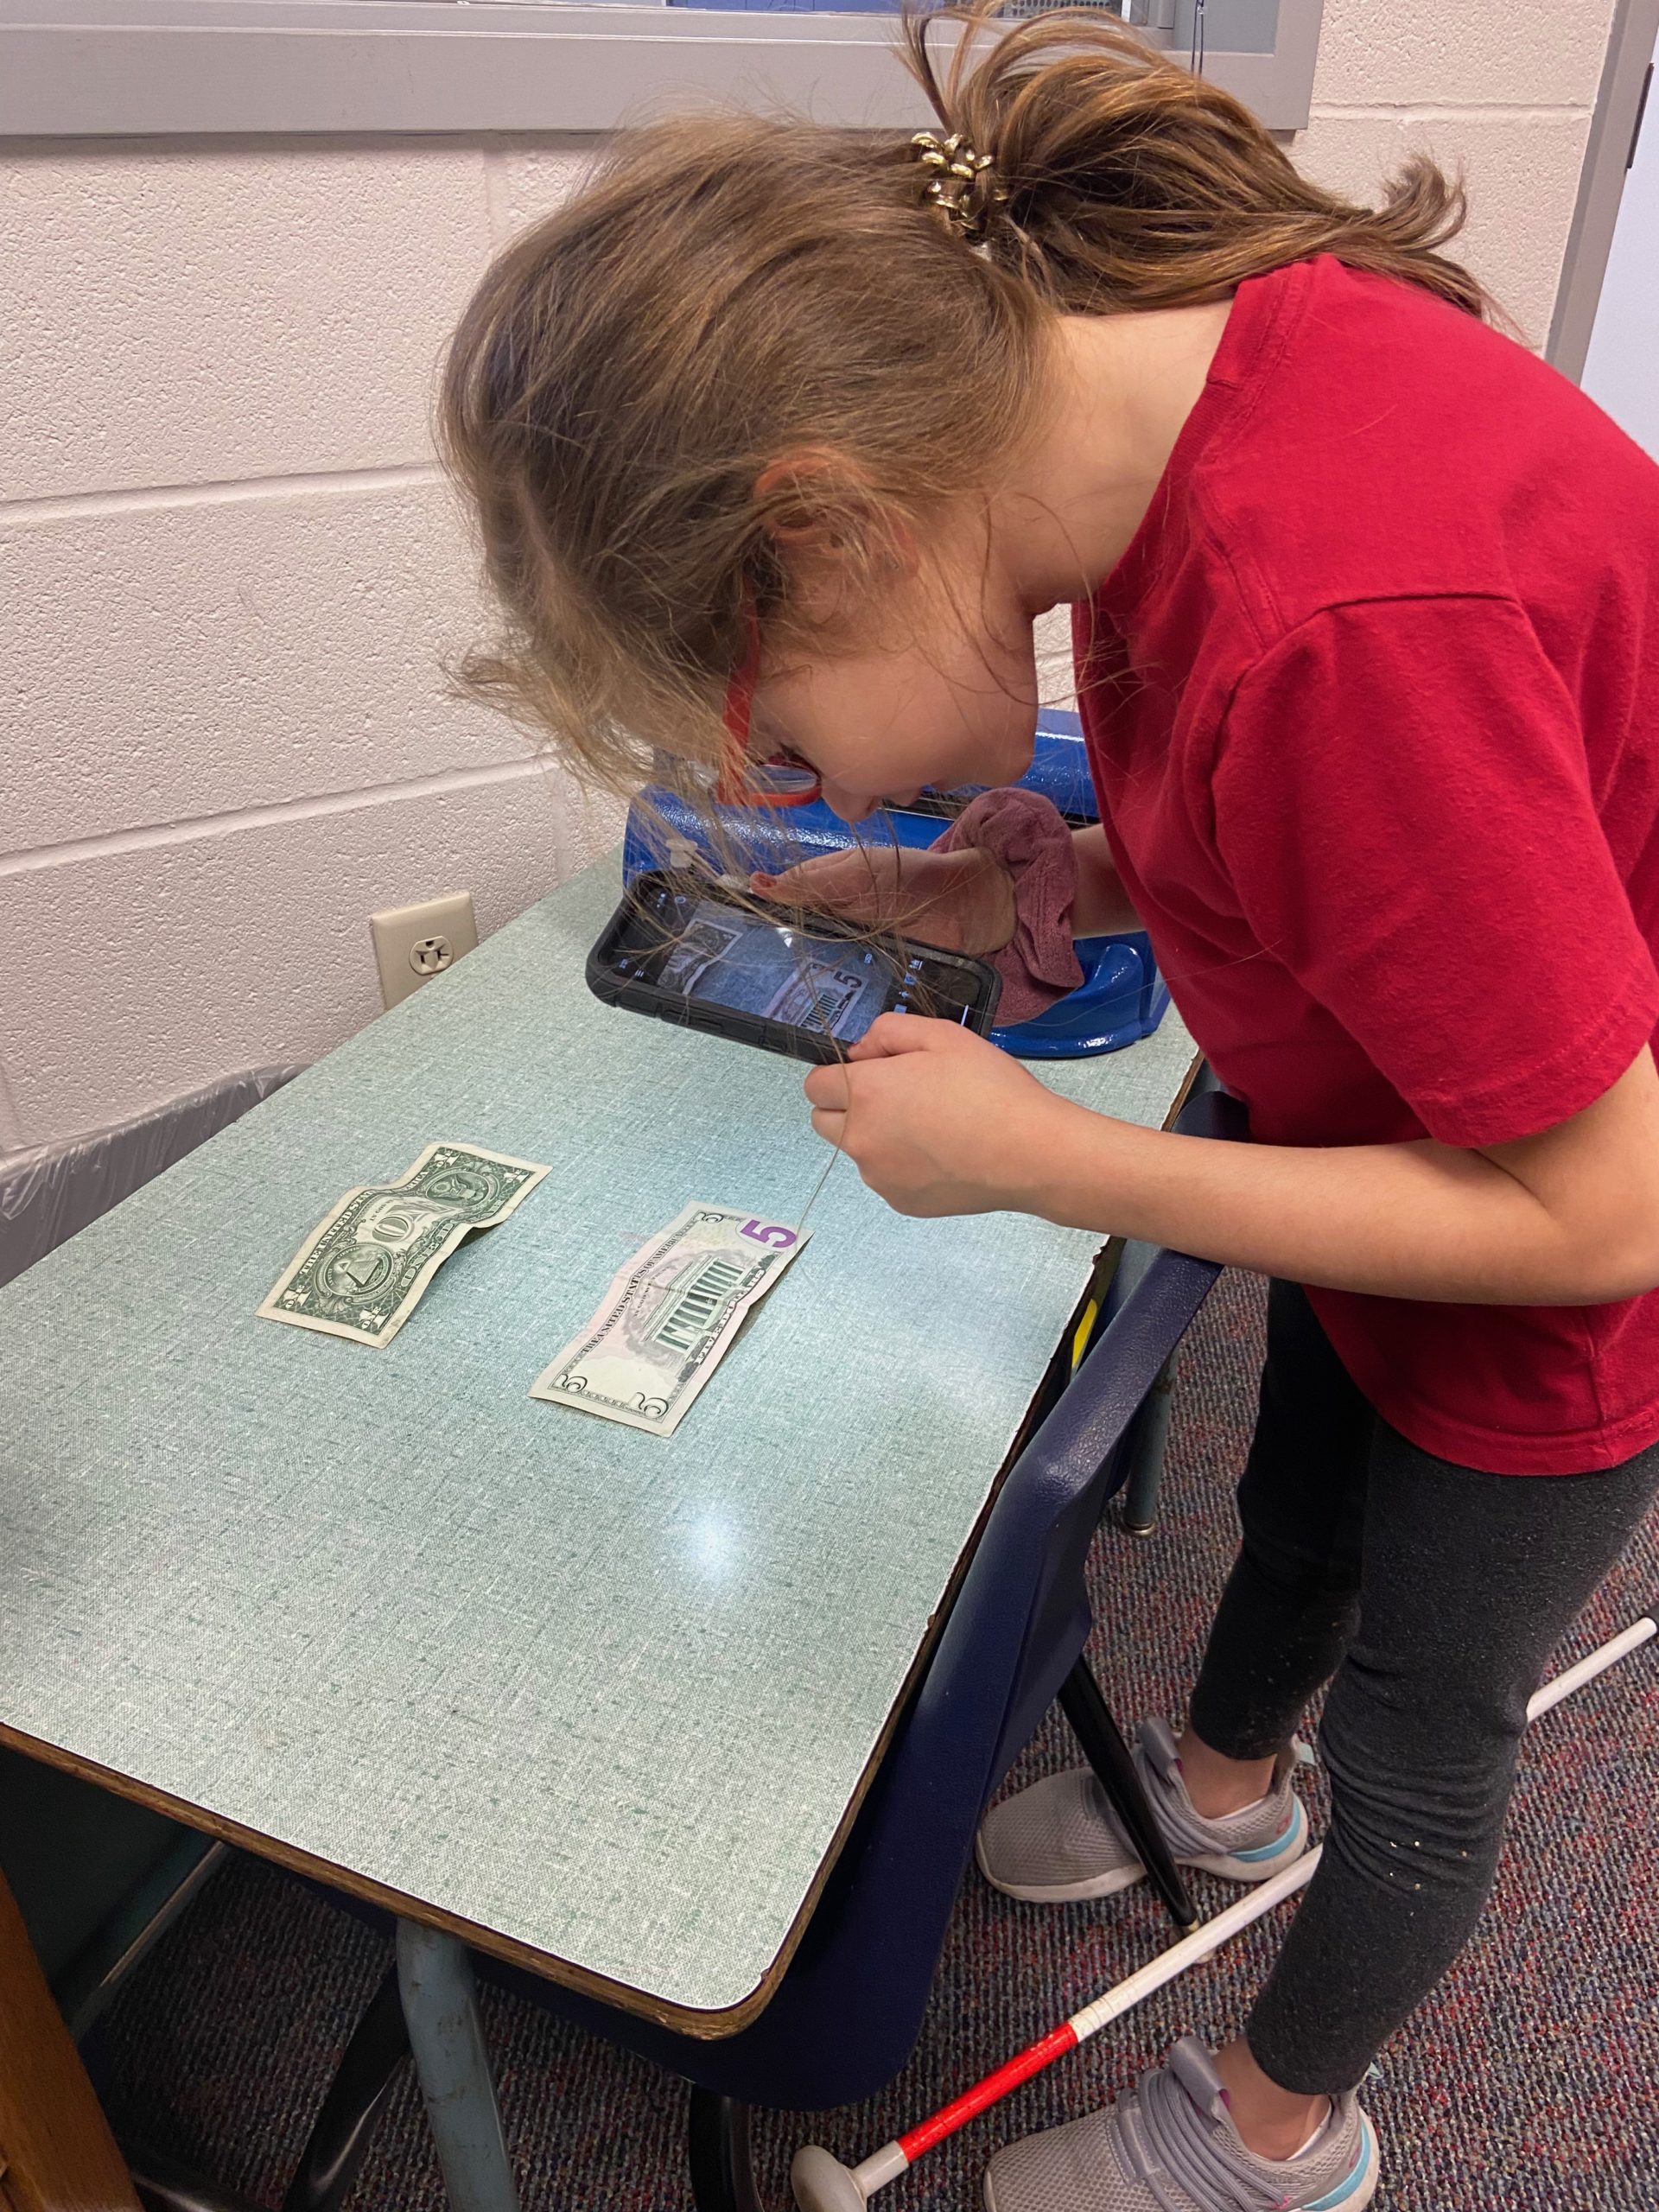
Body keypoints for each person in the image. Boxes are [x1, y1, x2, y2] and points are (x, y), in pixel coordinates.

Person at [438, 10, 1659, 2207]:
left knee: (1422, 1718)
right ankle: (1216, 1789)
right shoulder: (1150, 417)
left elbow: (1603, 1210)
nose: (833, 788)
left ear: (824, 527)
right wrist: (1040, 868)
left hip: (1565, 1235)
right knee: (1299, 1504)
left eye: (788, 738)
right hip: (1379, 1121)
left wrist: (1052, 1157)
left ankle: (1289, 2131)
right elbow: (1312, 830)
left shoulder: (1337, 618)